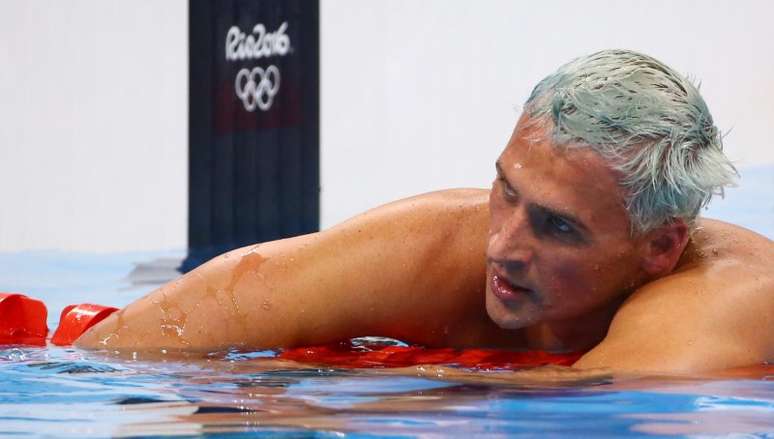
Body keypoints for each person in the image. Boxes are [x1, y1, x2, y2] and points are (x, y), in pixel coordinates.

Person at [76, 49, 774, 374]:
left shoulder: (720, 302)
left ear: (658, 247)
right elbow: (129, 345)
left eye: (557, 226)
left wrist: (363, 381)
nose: (502, 244)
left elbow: (591, 410)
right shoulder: (441, 245)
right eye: (506, 190)